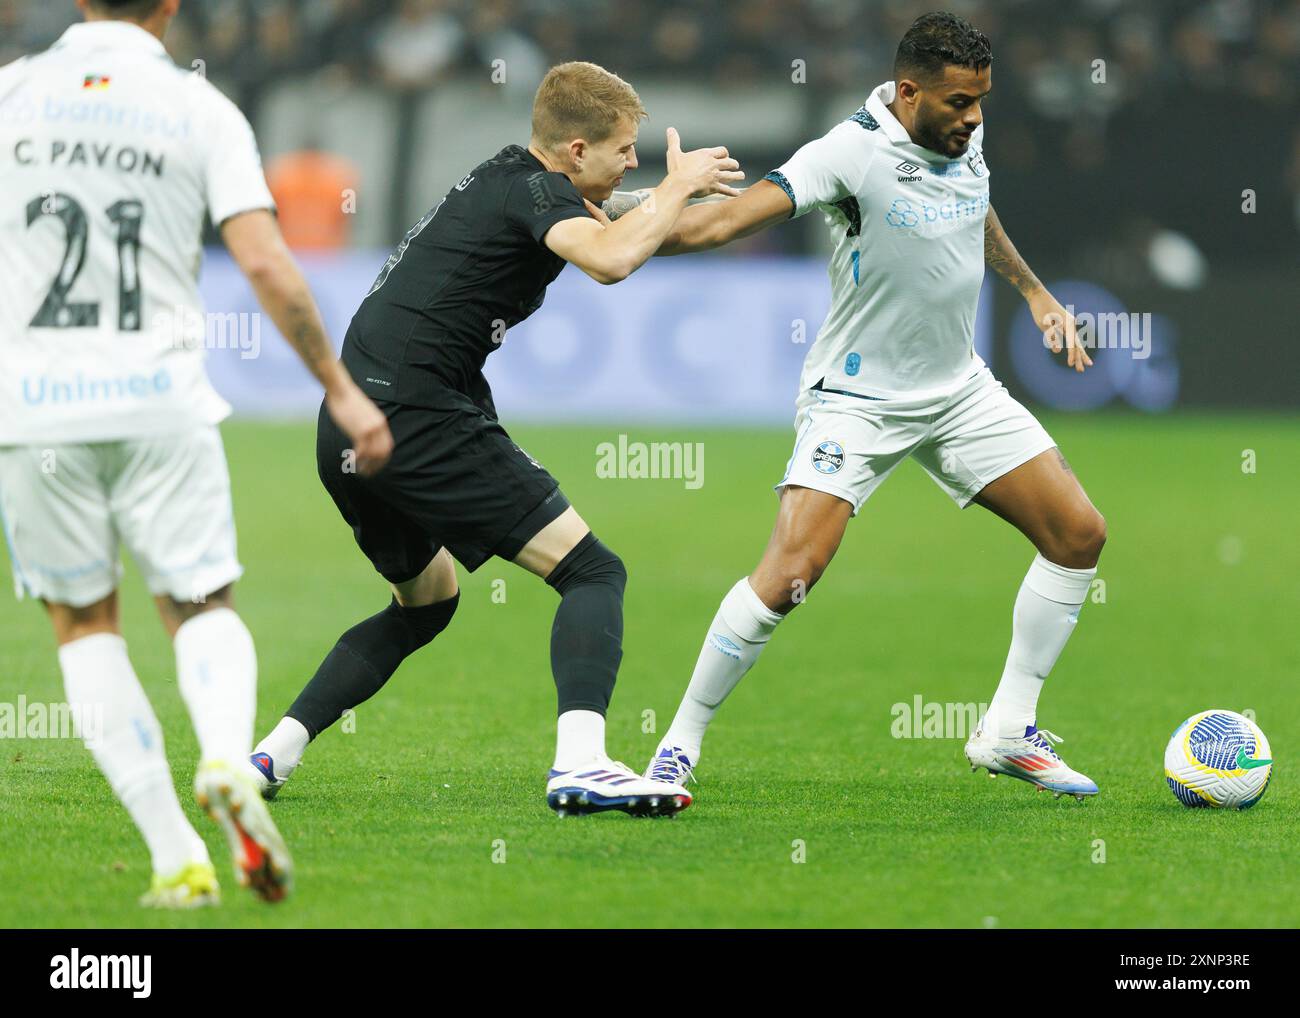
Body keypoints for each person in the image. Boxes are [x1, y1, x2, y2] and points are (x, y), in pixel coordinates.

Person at [249, 61, 742, 818]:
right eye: (624, 148)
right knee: (591, 571)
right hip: (415, 415)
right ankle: (581, 763)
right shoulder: (538, 193)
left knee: (425, 605)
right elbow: (613, 260)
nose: (634, 161)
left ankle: (269, 756)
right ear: (576, 151)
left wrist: (714, 196)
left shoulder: (514, 182)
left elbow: (631, 231)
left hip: (348, 420)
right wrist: (678, 185)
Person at [634, 12, 1107, 801]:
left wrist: (1032, 291)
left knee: (1078, 533)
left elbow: (974, 203)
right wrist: (620, 218)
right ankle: (679, 743)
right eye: (960, 103)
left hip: (958, 389)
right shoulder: (848, 152)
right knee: (790, 576)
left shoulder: (959, 134)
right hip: (858, 399)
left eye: (982, 102)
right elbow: (717, 222)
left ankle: (1007, 729)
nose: (974, 118)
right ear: (910, 90)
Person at [0, 0, 394, 906]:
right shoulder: (199, 108)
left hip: (34, 412)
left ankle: (176, 854)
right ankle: (224, 755)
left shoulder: (14, 95)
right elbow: (262, 262)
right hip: (159, 403)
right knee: (201, 602)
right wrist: (336, 383)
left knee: (85, 626)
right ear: (170, 5)